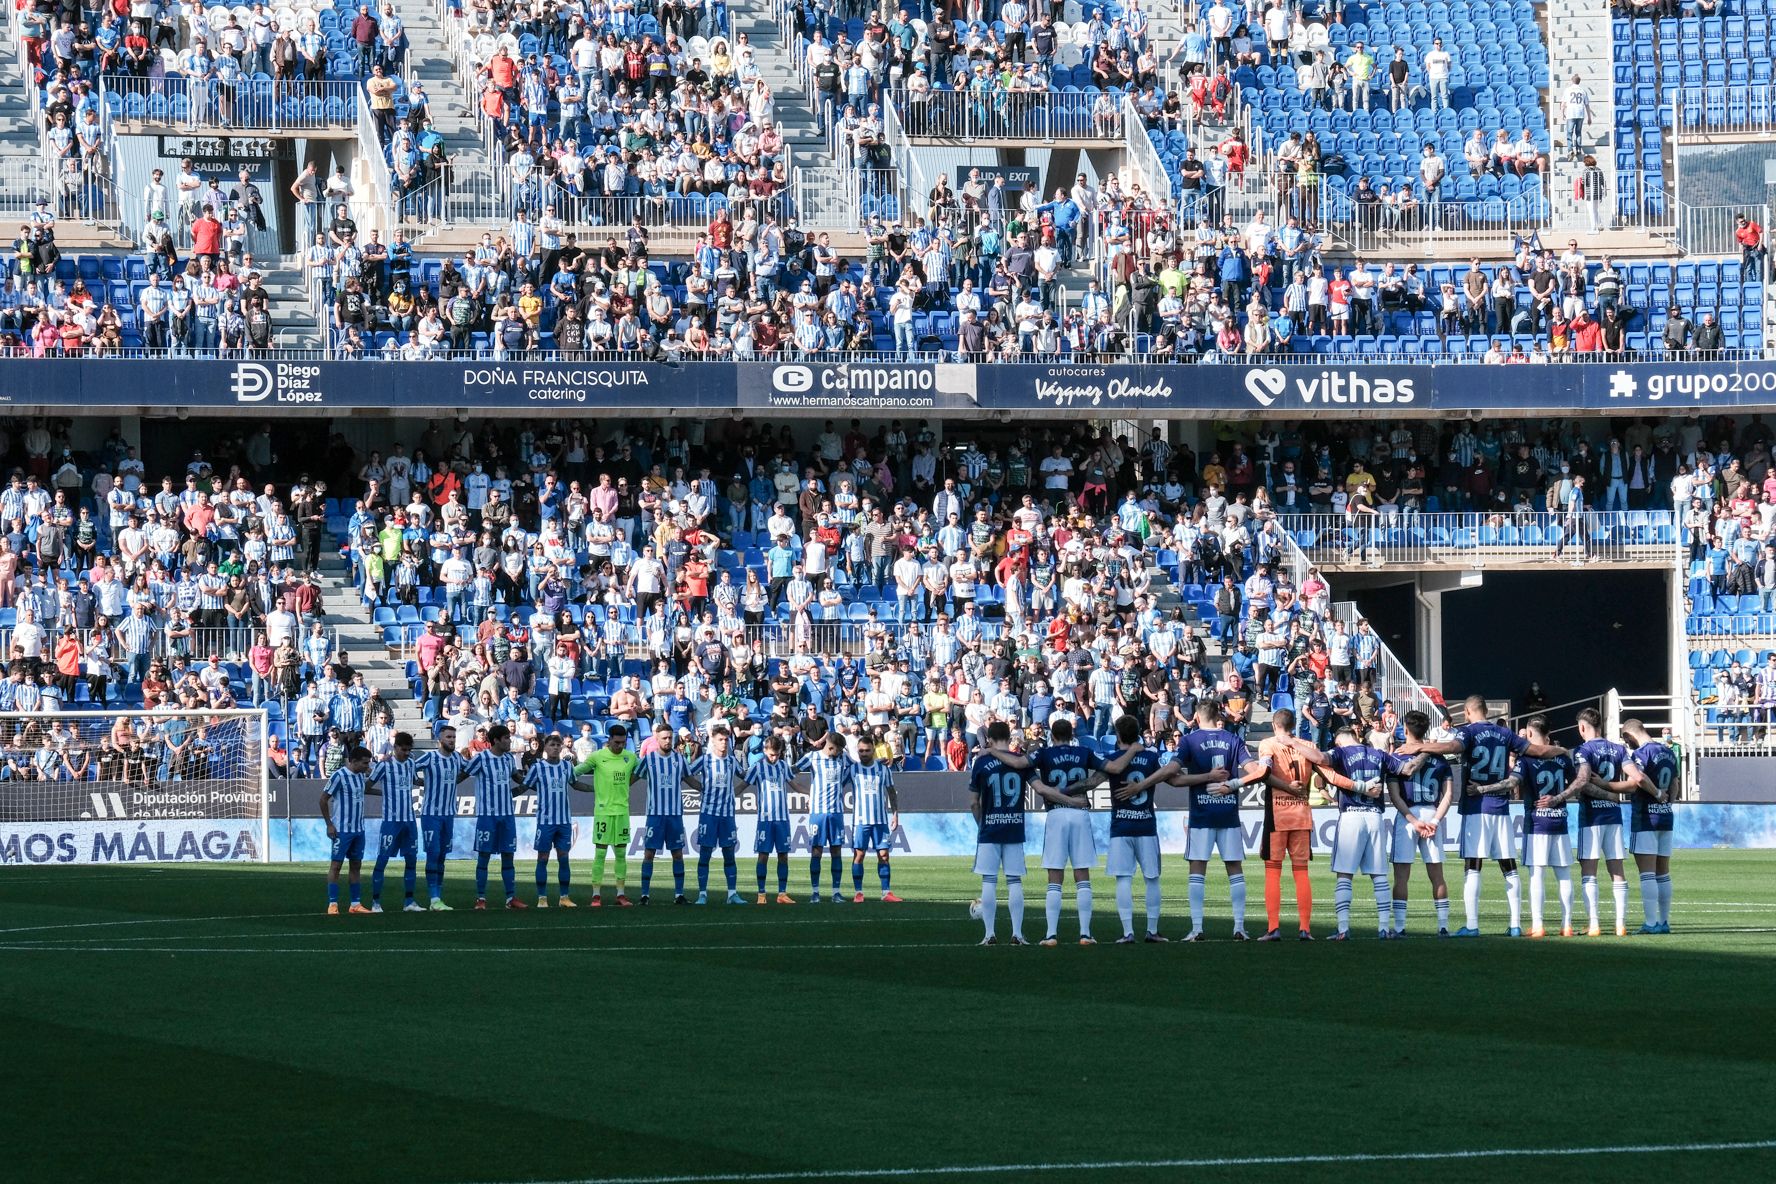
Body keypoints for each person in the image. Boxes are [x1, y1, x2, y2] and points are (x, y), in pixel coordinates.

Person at [1403, 695, 1565, 937]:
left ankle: (1472, 925)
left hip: (1476, 807)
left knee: (1473, 867)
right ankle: (1515, 925)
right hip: (1501, 807)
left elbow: (1452, 748)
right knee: (1508, 866)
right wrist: (1561, 750)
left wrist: (1420, 746)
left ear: (1468, 712)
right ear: (1486, 710)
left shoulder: (1468, 732)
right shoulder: (1506, 733)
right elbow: (1537, 751)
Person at [1171, 700, 1268, 941]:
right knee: (1234, 869)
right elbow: (1255, 770)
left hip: (1201, 813)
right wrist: (1239, 780)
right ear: (1218, 715)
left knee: (1197, 869)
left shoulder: (1189, 740)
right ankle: (1238, 927)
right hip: (1228, 813)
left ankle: (1196, 928)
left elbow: (1174, 777)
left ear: (1197, 715)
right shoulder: (1233, 739)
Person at [1310, 726, 1405, 940]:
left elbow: (1319, 757)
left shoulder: (1340, 752)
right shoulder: (1380, 754)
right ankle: (1383, 928)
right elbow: (1405, 769)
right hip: (1375, 816)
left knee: (1344, 875)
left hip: (1351, 815)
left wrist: (1293, 743)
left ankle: (1343, 929)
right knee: (1379, 875)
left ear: (1339, 740)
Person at [1029, 717, 1099, 945]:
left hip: (1056, 813)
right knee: (1082, 874)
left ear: (1052, 735)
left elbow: (1023, 764)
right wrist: (1088, 785)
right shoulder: (1084, 752)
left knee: (1054, 876)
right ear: (1071, 734)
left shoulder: (1044, 754)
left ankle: (1051, 934)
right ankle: (1086, 933)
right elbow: (1107, 770)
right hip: (1079, 812)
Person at [1385, 710, 1454, 937]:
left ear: (1405, 729)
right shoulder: (1440, 758)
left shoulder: (1397, 756)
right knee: (1437, 875)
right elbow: (1448, 795)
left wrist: (1414, 821)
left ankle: (1400, 927)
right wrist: (1434, 821)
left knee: (1401, 875)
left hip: (1408, 817)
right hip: (1432, 813)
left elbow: (1394, 796)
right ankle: (1443, 926)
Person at [1101, 714, 1167, 944]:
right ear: (1138, 732)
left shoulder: (1112, 758)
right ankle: (1152, 930)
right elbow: (1173, 778)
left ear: (1118, 735)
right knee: (1152, 878)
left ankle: (1128, 931)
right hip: (1146, 824)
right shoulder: (1150, 758)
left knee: (1123, 879)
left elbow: (1091, 782)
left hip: (1121, 825)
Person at [1254, 709, 1317, 940]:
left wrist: (1286, 787)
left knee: (1273, 872)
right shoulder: (1308, 745)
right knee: (1301, 872)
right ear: (1294, 725)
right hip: (1301, 814)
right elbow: (1321, 774)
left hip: (1277, 815)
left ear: (1274, 725)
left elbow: (1263, 772)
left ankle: (1273, 928)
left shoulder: (1267, 744)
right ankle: (1305, 929)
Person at [970, 720, 1033, 945]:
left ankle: (989, 934)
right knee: (1014, 881)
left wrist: (981, 825)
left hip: (989, 827)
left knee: (989, 880)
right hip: (1014, 826)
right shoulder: (1021, 761)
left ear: (990, 739)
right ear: (1009, 736)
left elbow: (974, 803)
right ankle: (1017, 933)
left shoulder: (982, 762)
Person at [1515, 719, 1579, 938]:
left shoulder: (1526, 759)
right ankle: (1567, 924)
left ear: (1530, 735)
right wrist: (1560, 798)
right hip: (1559, 819)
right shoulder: (1562, 757)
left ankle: (1538, 924)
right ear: (1548, 734)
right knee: (1563, 874)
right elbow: (1577, 783)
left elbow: (1514, 781)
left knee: (1537, 874)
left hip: (1537, 822)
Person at [1571, 707, 1632, 937]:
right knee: (1617, 871)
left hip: (1592, 817)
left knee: (1589, 870)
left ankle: (1594, 923)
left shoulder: (1583, 750)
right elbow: (1634, 778)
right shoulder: (1619, 749)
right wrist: (1612, 793)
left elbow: (1583, 782)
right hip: (1614, 816)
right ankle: (1620, 924)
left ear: (1582, 727)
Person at [1619, 717, 1679, 934]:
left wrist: (1656, 794)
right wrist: (1667, 802)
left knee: (1647, 873)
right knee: (1663, 872)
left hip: (1646, 817)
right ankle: (1663, 922)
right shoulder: (1669, 752)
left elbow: (1639, 778)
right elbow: (1675, 782)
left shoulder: (1640, 754)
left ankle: (1651, 923)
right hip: (1665, 817)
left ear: (1629, 735)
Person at [461, 723, 524, 910]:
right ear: (496, 740)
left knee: (508, 855)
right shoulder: (481, 759)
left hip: (507, 815)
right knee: (484, 856)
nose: (509, 740)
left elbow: (517, 779)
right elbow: (462, 776)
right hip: (487, 815)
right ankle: (481, 899)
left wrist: (536, 784)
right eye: (506, 738)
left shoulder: (508, 760)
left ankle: (510, 898)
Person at [526, 732, 592, 907]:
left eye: (558, 745)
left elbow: (575, 784)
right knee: (543, 858)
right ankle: (542, 898)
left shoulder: (567, 766)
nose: (555, 748)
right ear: (545, 748)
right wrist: (509, 794)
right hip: (545, 821)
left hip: (564, 821)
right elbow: (527, 785)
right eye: (552, 745)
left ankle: (564, 897)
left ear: (561, 747)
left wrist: (595, 789)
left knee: (564, 858)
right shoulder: (538, 767)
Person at [574, 724, 638, 906]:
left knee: (620, 855)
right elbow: (576, 771)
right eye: (617, 742)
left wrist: (628, 783)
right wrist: (561, 773)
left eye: (623, 743)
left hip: (622, 812)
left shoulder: (630, 757)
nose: (620, 746)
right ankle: (596, 895)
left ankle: (621, 894)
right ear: (609, 740)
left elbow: (642, 772)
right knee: (600, 854)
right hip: (603, 813)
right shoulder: (597, 757)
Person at [686, 725, 748, 905]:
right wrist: (699, 787)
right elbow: (686, 774)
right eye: (720, 739)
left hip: (727, 815)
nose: (724, 743)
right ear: (712, 741)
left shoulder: (731, 761)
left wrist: (735, 791)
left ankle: (732, 894)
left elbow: (745, 777)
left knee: (729, 854)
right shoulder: (704, 761)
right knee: (705, 854)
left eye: (726, 740)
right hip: (708, 814)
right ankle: (702, 894)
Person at [365, 731, 422, 913]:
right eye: (403, 750)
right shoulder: (384, 766)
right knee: (382, 860)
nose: (406, 753)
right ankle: (375, 903)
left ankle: (409, 902)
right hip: (391, 821)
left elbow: (415, 781)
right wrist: (382, 793)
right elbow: (367, 787)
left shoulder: (411, 764)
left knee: (411, 860)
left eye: (409, 750)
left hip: (410, 820)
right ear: (395, 747)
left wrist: (432, 781)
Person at [797, 733, 855, 903]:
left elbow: (858, 767)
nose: (840, 753)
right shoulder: (813, 757)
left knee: (837, 851)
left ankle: (836, 892)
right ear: (830, 747)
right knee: (817, 851)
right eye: (837, 750)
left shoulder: (843, 758)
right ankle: (815, 892)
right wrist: (805, 792)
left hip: (836, 812)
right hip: (818, 812)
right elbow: (790, 771)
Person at [637, 725, 689, 905]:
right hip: (655, 814)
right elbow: (634, 778)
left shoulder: (679, 759)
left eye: (670, 738)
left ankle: (679, 894)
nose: (667, 741)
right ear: (657, 740)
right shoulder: (649, 759)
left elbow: (689, 779)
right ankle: (644, 895)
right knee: (649, 854)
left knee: (678, 854)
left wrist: (708, 789)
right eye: (664, 738)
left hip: (675, 815)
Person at [415, 723, 464, 909]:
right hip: (431, 814)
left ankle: (438, 897)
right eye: (448, 737)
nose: (452, 740)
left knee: (442, 855)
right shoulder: (430, 757)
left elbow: (468, 769)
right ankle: (434, 898)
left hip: (449, 814)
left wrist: (458, 779)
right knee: (433, 854)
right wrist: (420, 781)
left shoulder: (457, 758)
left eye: (453, 737)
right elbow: (410, 767)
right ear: (440, 740)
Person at [849, 734, 902, 903]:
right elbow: (836, 785)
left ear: (873, 750)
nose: (863, 753)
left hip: (880, 821)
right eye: (861, 751)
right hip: (860, 821)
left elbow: (891, 792)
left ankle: (886, 892)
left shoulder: (883, 769)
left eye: (867, 750)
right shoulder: (852, 769)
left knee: (884, 855)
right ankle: (858, 892)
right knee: (859, 855)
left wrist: (895, 814)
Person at [321, 745, 373, 914]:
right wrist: (329, 824)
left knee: (356, 865)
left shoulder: (359, 776)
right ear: (353, 761)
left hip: (359, 829)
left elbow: (364, 791)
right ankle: (333, 904)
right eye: (365, 763)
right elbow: (323, 800)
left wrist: (386, 792)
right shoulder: (339, 776)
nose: (367, 766)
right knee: (336, 865)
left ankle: (355, 904)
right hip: (341, 830)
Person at [749, 734, 797, 904]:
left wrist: (807, 795)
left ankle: (782, 894)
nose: (774, 757)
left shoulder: (783, 766)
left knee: (783, 855)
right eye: (771, 754)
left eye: (776, 754)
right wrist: (730, 795)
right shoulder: (757, 767)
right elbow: (745, 783)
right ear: (764, 751)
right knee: (763, 855)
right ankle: (761, 894)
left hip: (783, 819)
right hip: (765, 819)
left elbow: (793, 784)